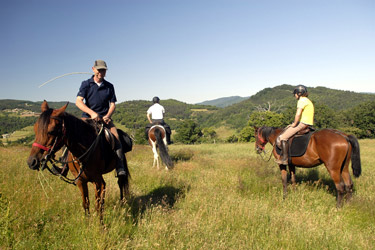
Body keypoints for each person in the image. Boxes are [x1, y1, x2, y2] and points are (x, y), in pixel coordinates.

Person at [75, 60, 126, 176]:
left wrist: (108, 116)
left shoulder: (109, 86)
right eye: (99, 70)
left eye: (103, 70)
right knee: (73, 134)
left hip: (104, 118)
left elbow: (112, 104)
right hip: (87, 118)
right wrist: (92, 113)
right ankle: (64, 165)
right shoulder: (86, 84)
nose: (101, 73)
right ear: (93, 69)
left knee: (116, 138)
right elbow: (78, 102)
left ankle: (119, 166)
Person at [277, 85, 315, 165]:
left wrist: (294, 124)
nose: (295, 96)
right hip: (309, 123)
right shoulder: (307, 100)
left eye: (295, 94)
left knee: (283, 137)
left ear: (298, 93)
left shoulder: (301, 101)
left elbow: (298, 114)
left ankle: (284, 159)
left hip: (303, 124)